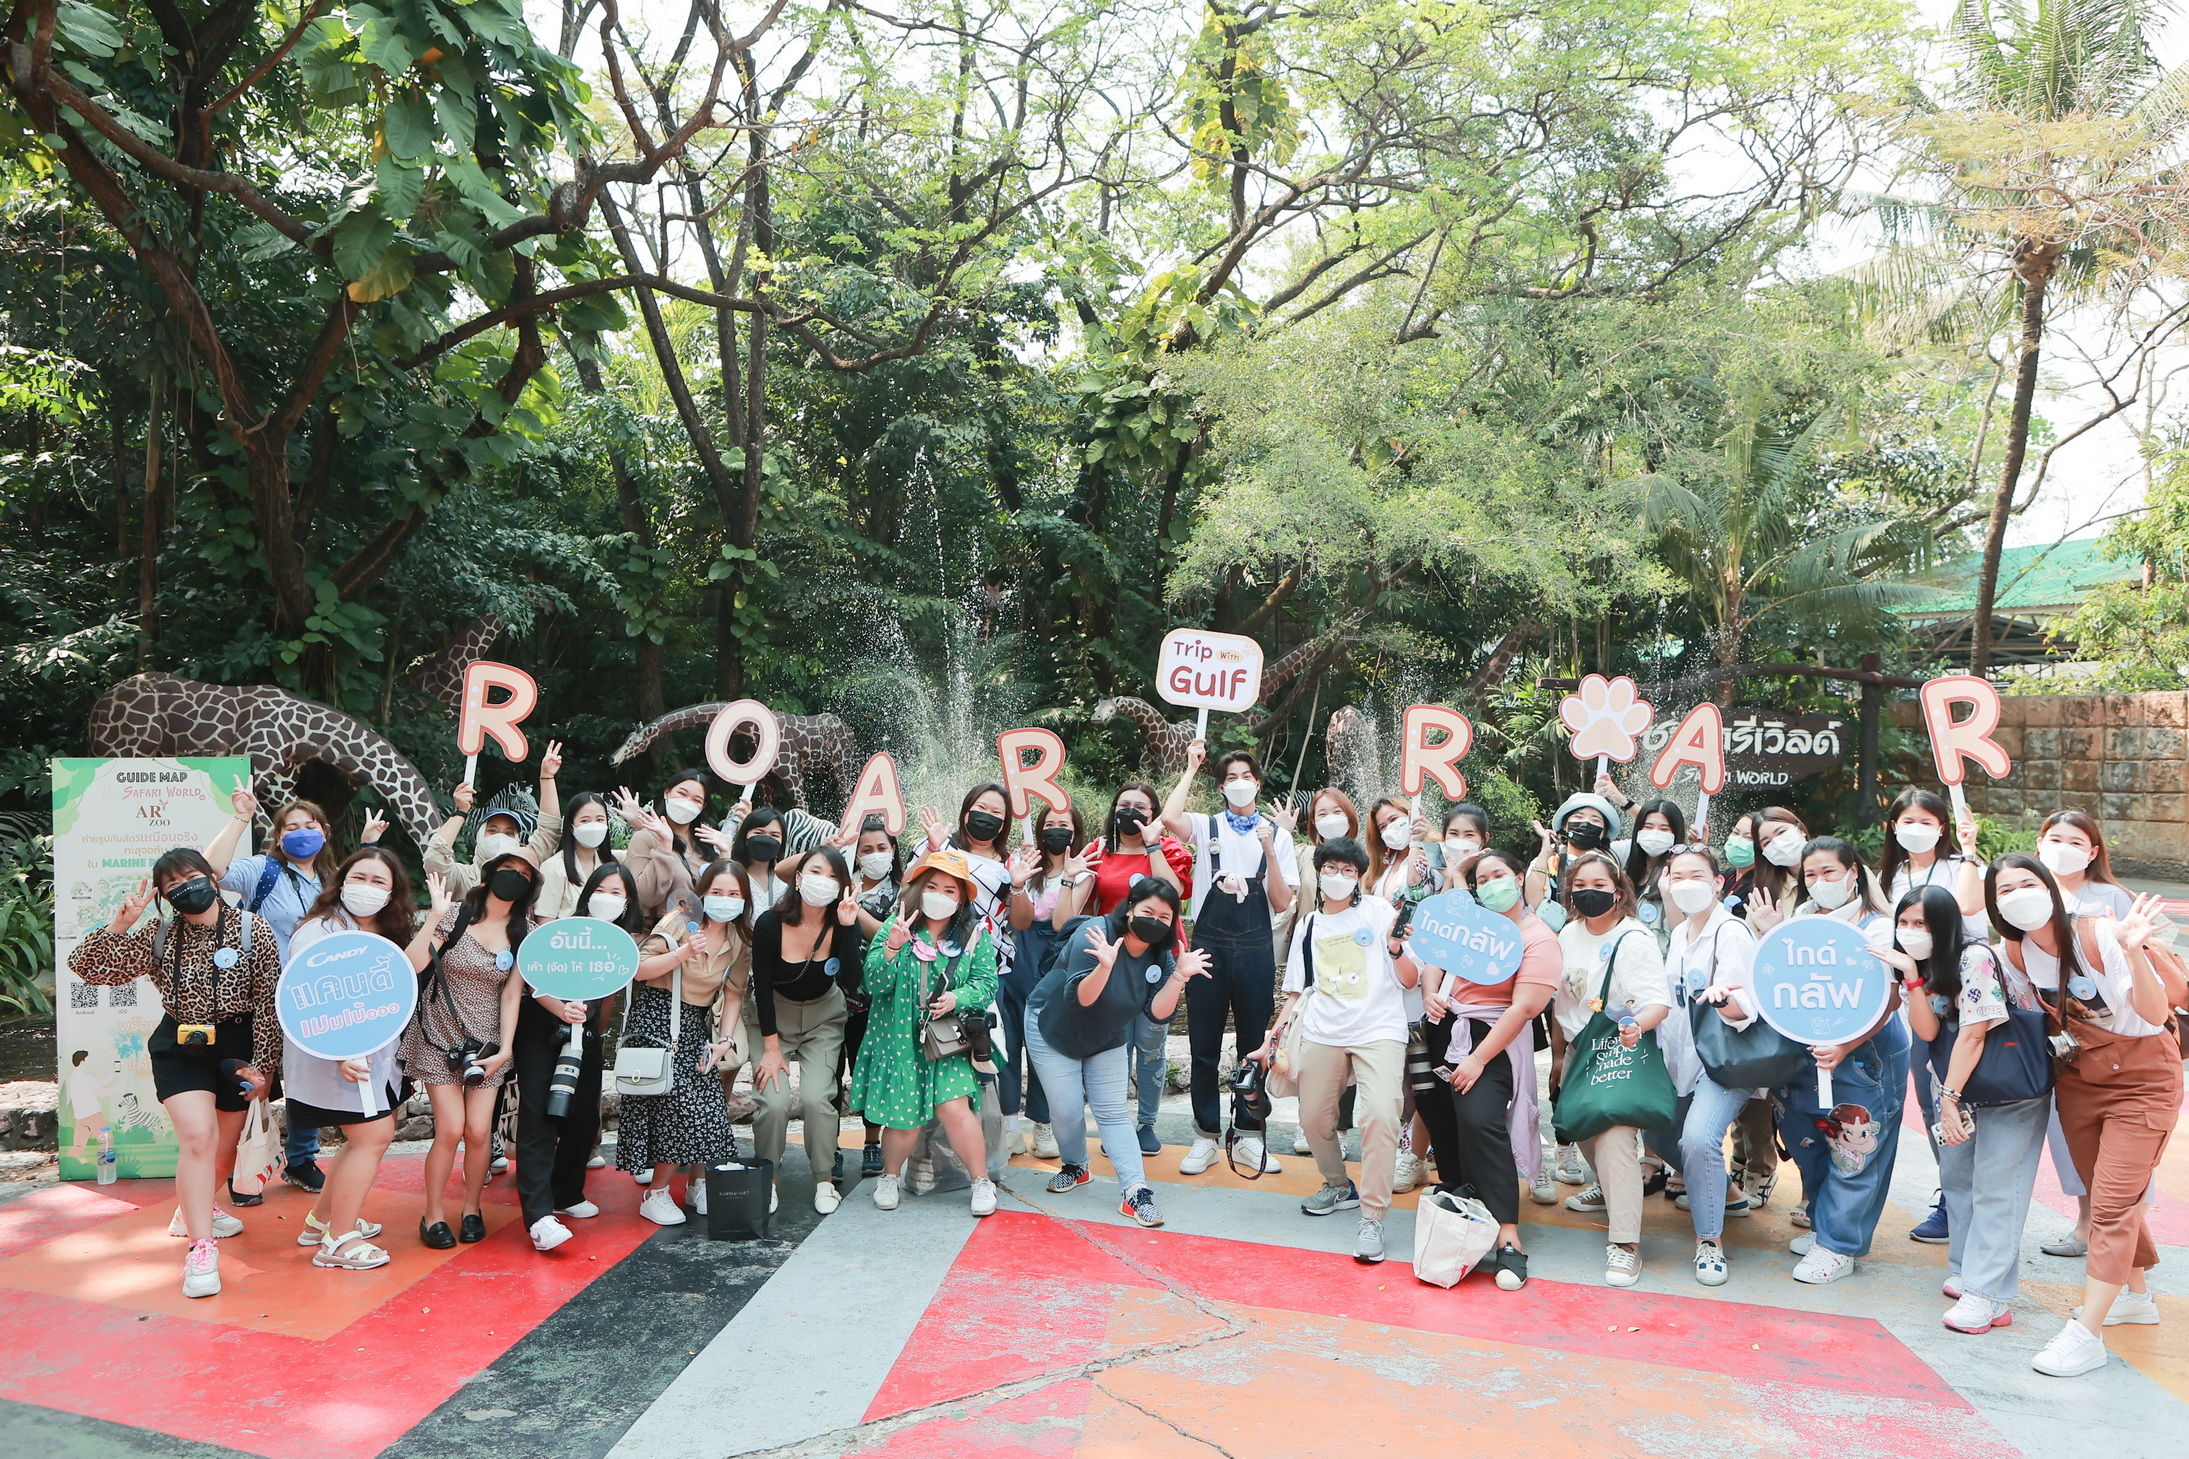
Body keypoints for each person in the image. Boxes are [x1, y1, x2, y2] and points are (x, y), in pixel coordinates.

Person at [1986, 856, 2180, 1377]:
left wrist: (2133, 949)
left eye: (2028, 883)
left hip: (2143, 1080)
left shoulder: (2100, 935)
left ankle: (2086, 1335)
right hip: (2079, 1081)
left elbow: (2154, 1012)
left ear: (2050, 887)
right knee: (2107, 1191)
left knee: (2111, 1206)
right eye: (2005, 890)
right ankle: (2135, 1297)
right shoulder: (2015, 950)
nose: (2018, 895)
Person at [68, 849, 283, 1297]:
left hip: (237, 1049)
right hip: (180, 1045)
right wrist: (120, 926)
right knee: (198, 1139)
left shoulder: (252, 929)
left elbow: (268, 1003)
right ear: (165, 897)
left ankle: (193, 1207)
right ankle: (201, 1248)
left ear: (211, 877)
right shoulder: (161, 932)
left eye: (191, 876)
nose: (186, 887)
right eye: (172, 885)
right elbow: (86, 968)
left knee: (222, 1154)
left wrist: (264, 1066)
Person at [1888, 883, 2047, 1334]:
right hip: (1959, 1086)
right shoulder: (1923, 966)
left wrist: (1948, 1098)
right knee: (1957, 1178)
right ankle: (1966, 1270)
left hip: (2005, 1088)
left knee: (1998, 1187)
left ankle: (1990, 1295)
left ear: (1944, 925)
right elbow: (1928, 1032)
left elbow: (1974, 1033)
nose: (1910, 931)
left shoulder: (1974, 958)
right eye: (1903, 922)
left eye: (1921, 923)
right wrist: (1912, 978)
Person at [1258, 837, 1421, 1265]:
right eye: (1331, 868)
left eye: (1349, 870)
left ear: (1360, 877)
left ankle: (1373, 1215)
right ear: (1319, 872)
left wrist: (1395, 948)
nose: (1339, 876)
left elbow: (1408, 979)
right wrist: (1272, 1038)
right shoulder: (1309, 925)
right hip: (1322, 1030)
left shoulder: (1380, 912)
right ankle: (1337, 1184)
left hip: (1379, 1030)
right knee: (1313, 1119)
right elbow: (1296, 991)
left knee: (1381, 1115)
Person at [287, 848, 446, 1269]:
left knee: (362, 1138)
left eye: (379, 881)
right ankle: (339, 1241)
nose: (367, 888)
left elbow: (405, 971)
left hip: (373, 1055)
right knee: (373, 1137)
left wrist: (435, 918)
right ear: (341, 881)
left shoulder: (384, 929)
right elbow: (309, 995)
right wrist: (340, 1053)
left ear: (392, 892)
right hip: (335, 1057)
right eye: (359, 878)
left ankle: (321, 1222)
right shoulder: (319, 930)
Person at [1765, 836, 1908, 1283]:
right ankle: (1823, 1223)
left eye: (1829, 872)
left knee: (1854, 1148)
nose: (1819, 881)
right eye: (1810, 874)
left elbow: (1890, 998)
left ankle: (1838, 1247)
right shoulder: (1801, 922)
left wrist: (1847, 1046)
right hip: (1807, 1054)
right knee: (1808, 1140)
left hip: (1865, 1054)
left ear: (1853, 873)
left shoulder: (1878, 927)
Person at [1025, 878, 1206, 1227]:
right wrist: (1104, 967)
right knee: (1066, 1111)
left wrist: (1179, 978)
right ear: (1130, 908)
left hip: (1107, 1034)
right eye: (1148, 911)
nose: (1154, 921)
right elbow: (1082, 999)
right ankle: (1076, 1166)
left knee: (1113, 1113)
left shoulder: (1160, 955)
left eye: (1165, 917)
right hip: (1053, 1025)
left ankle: (1136, 1192)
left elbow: (1157, 1014)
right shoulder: (1095, 934)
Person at [1160, 743, 1299, 1176]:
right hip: (1209, 946)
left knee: (1253, 1045)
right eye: (1231, 778)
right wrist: (1190, 768)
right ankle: (1205, 1135)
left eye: (1246, 777)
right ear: (1221, 787)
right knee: (1203, 1044)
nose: (1240, 784)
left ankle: (1248, 1136)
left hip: (1256, 947)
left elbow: (1282, 902)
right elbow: (1169, 818)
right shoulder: (1207, 826)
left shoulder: (1279, 835)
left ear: (1258, 783)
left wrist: (1270, 850)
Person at [1429, 848, 1560, 1288]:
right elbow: (1435, 955)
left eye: (1498, 875)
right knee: (1451, 1124)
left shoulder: (1539, 938)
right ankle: (1469, 1214)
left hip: (1493, 1042)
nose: (1489, 885)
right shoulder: (1474, 924)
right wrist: (1430, 992)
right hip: (1451, 1030)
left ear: (1519, 877)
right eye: (1481, 880)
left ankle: (1508, 1235)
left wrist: (1478, 1058)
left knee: (1481, 1122)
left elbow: (1524, 1008)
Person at [201, 788, 341, 1195]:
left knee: (306, 1079)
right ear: (278, 837)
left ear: (324, 832)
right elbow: (212, 869)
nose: (301, 833)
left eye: (309, 826)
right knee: (252, 1079)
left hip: (313, 996)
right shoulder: (262, 871)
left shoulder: (335, 879)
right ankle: (243, 1166)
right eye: (291, 827)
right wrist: (241, 817)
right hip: (259, 996)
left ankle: (301, 1159)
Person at [851, 849, 1002, 1217]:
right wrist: (892, 946)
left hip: (947, 1040)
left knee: (955, 1108)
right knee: (904, 1118)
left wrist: (957, 998)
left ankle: (981, 1181)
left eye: (950, 890)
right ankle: (890, 1176)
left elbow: (986, 984)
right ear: (919, 889)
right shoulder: (896, 926)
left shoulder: (975, 935)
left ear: (962, 898)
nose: (940, 895)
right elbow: (874, 984)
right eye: (932, 886)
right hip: (900, 1039)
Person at [399, 845, 535, 1248]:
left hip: (488, 1044)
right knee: (450, 1129)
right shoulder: (457, 914)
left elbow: (512, 995)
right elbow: (413, 964)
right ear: (490, 872)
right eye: (508, 868)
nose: (514, 877)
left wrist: (506, 1049)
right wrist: (434, 916)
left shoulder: (525, 931)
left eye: (524, 874)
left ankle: (472, 1209)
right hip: (439, 1035)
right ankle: (433, 1214)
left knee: (478, 1131)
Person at [516, 863, 656, 1251]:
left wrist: (596, 1033)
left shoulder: (622, 942)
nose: (607, 898)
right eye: (601, 890)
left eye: (617, 893)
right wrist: (561, 1010)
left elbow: (609, 993)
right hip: (541, 1026)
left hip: (586, 1031)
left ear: (628, 902)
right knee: (539, 1115)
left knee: (584, 1117)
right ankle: (538, 1216)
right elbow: (531, 977)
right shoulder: (560, 932)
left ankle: (566, 1191)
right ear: (587, 893)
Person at [1549, 850, 1672, 1287]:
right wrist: (1558, 1056)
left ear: (1618, 891)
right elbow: (1561, 1002)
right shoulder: (1568, 934)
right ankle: (1610, 1189)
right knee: (1581, 1127)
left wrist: (1636, 1026)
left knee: (1615, 1137)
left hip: (1618, 1048)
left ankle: (1625, 1244)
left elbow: (1658, 1001)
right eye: (1580, 886)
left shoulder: (1633, 938)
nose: (1590, 894)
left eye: (1599, 886)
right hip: (1578, 1050)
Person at [1876, 787, 1985, 1244]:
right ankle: (1952, 1196)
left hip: (1964, 994)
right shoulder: (1888, 876)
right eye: (1908, 821)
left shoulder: (1962, 867)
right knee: (1930, 1102)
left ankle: (1971, 1200)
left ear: (1942, 827)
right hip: (1917, 995)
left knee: (1963, 1099)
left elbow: (1967, 908)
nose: (1916, 829)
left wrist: (1970, 851)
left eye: (1926, 821)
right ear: (1893, 827)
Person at [1649, 847, 1762, 1287]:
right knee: (1657, 1133)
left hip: (1722, 1061)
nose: (1687, 884)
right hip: (1679, 1057)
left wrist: (1724, 999)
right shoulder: (1680, 932)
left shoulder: (1731, 932)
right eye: (1677, 877)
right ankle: (1727, 1193)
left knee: (1697, 1139)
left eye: (1697, 875)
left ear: (1718, 883)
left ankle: (1709, 1241)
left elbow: (1747, 1006)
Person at [2027, 808, 2135, 1257]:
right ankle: (2086, 1224)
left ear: (2092, 852)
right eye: (2055, 839)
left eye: (2076, 842)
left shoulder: (2111, 898)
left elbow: (2141, 962)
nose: (2064, 849)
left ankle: (2121, 1234)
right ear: (2039, 844)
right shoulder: (2029, 894)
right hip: (2056, 1036)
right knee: (2072, 1132)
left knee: (2121, 1140)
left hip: (2115, 1036)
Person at [626, 861, 745, 1221]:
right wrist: (683, 952)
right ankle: (655, 1194)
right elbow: (638, 969)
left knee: (709, 1105)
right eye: (717, 892)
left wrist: (726, 1040)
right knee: (680, 1105)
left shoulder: (740, 939)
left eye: (734, 893)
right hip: (657, 1015)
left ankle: (698, 1185)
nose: (725, 899)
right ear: (703, 893)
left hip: (694, 1023)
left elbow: (734, 993)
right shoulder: (678, 921)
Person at [748, 849, 864, 1214]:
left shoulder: (842, 921)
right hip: (772, 1019)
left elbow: (852, 981)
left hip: (823, 1017)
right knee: (773, 1102)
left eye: (832, 876)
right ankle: (767, 1177)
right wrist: (771, 1049)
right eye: (815, 872)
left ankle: (823, 1178)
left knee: (817, 1099)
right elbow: (761, 988)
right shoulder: (769, 923)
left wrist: (848, 928)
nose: (822, 882)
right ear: (798, 878)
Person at [1084, 782, 1185, 1156]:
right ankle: (1116, 1122)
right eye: (1123, 804)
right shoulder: (1098, 851)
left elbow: (1174, 893)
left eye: (1141, 806)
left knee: (1151, 1043)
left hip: (1159, 959)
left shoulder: (1169, 848)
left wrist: (1152, 845)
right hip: (1113, 960)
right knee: (1116, 1043)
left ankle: (1146, 1123)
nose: (1131, 812)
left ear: (1154, 813)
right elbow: (1087, 903)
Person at [1003, 803, 1084, 1162]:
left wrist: (1067, 878)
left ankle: (1043, 1123)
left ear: (1074, 830)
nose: (1056, 829)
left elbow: (1063, 923)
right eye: (1049, 824)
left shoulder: (1082, 872)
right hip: (1014, 958)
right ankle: (1009, 1126)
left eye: (1063, 824)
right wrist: (1019, 875)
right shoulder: (1023, 865)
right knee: (1007, 1042)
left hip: (1053, 960)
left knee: (1043, 1044)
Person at [423, 744, 566, 899]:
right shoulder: (461, 878)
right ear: (478, 838)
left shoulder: (527, 865)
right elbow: (435, 856)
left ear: (517, 841)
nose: (500, 837)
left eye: (508, 833)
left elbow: (550, 830)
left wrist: (547, 777)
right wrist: (461, 812)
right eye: (492, 830)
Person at [842, 817, 903, 1176]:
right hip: (833, 993)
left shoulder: (901, 892)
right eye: (866, 849)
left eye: (882, 847)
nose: (875, 854)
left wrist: (853, 908)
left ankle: (871, 1142)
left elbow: (887, 934)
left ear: (893, 850)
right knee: (830, 1073)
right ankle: (830, 1147)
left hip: (876, 997)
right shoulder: (837, 881)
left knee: (868, 1069)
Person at [620, 769, 718, 913]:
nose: (687, 802)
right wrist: (665, 846)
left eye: (697, 800)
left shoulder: (706, 841)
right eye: (682, 794)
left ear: (703, 807)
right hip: (662, 925)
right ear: (667, 793)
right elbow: (643, 898)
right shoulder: (645, 838)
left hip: (703, 926)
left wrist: (725, 853)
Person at [537, 792, 623, 920]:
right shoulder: (553, 867)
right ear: (571, 826)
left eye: (600, 820)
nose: (594, 825)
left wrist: (635, 820)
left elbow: (643, 852)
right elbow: (545, 922)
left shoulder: (613, 862)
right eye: (585, 821)